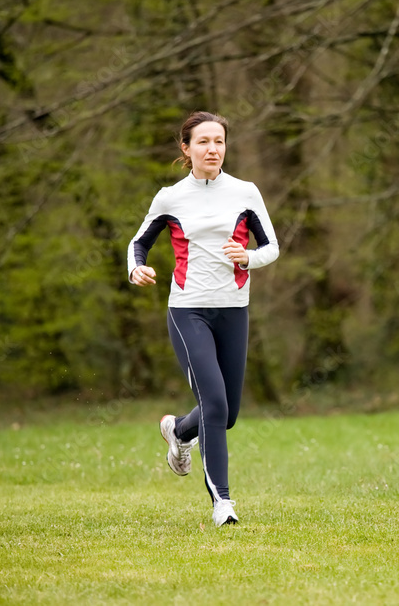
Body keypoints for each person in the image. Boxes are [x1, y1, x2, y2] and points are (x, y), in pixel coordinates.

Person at [127, 111, 279, 527]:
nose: (213, 149)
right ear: (186, 148)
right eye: (203, 142)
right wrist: (135, 269)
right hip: (188, 310)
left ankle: (178, 432)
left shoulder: (246, 192)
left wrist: (248, 256)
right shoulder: (170, 197)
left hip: (234, 310)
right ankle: (222, 503)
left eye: (219, 141)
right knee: (214, 403)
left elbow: (272, 248)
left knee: (226, 415)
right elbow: (138, 244)